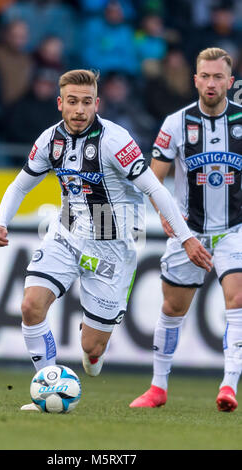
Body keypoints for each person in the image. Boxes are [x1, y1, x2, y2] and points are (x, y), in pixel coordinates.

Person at [0, 69, 212, 411]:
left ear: (97, 104)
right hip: (66, 233)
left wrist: (185, 238)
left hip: (113, 246)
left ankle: (93, 354)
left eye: (87, 102)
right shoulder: (49, 140)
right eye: (73, 102)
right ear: (60, 103)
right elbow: (20, 185)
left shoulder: (115, 140)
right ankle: (49, 389)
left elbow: (154, 187)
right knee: (30, 306)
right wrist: (1, 223)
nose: (79, 110)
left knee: (91, 347)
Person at [129, 47, 242, 412]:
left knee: (238, 300)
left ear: (230, 81)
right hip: (187, 231)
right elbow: (153, 181)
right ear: (195, 79)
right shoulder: (175, 123)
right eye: (205, 76)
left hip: (233, 229)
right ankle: (158, 388)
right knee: (172, 308)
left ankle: (229, 386)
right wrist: (175, 226)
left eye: (218, 77)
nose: (211, 83)